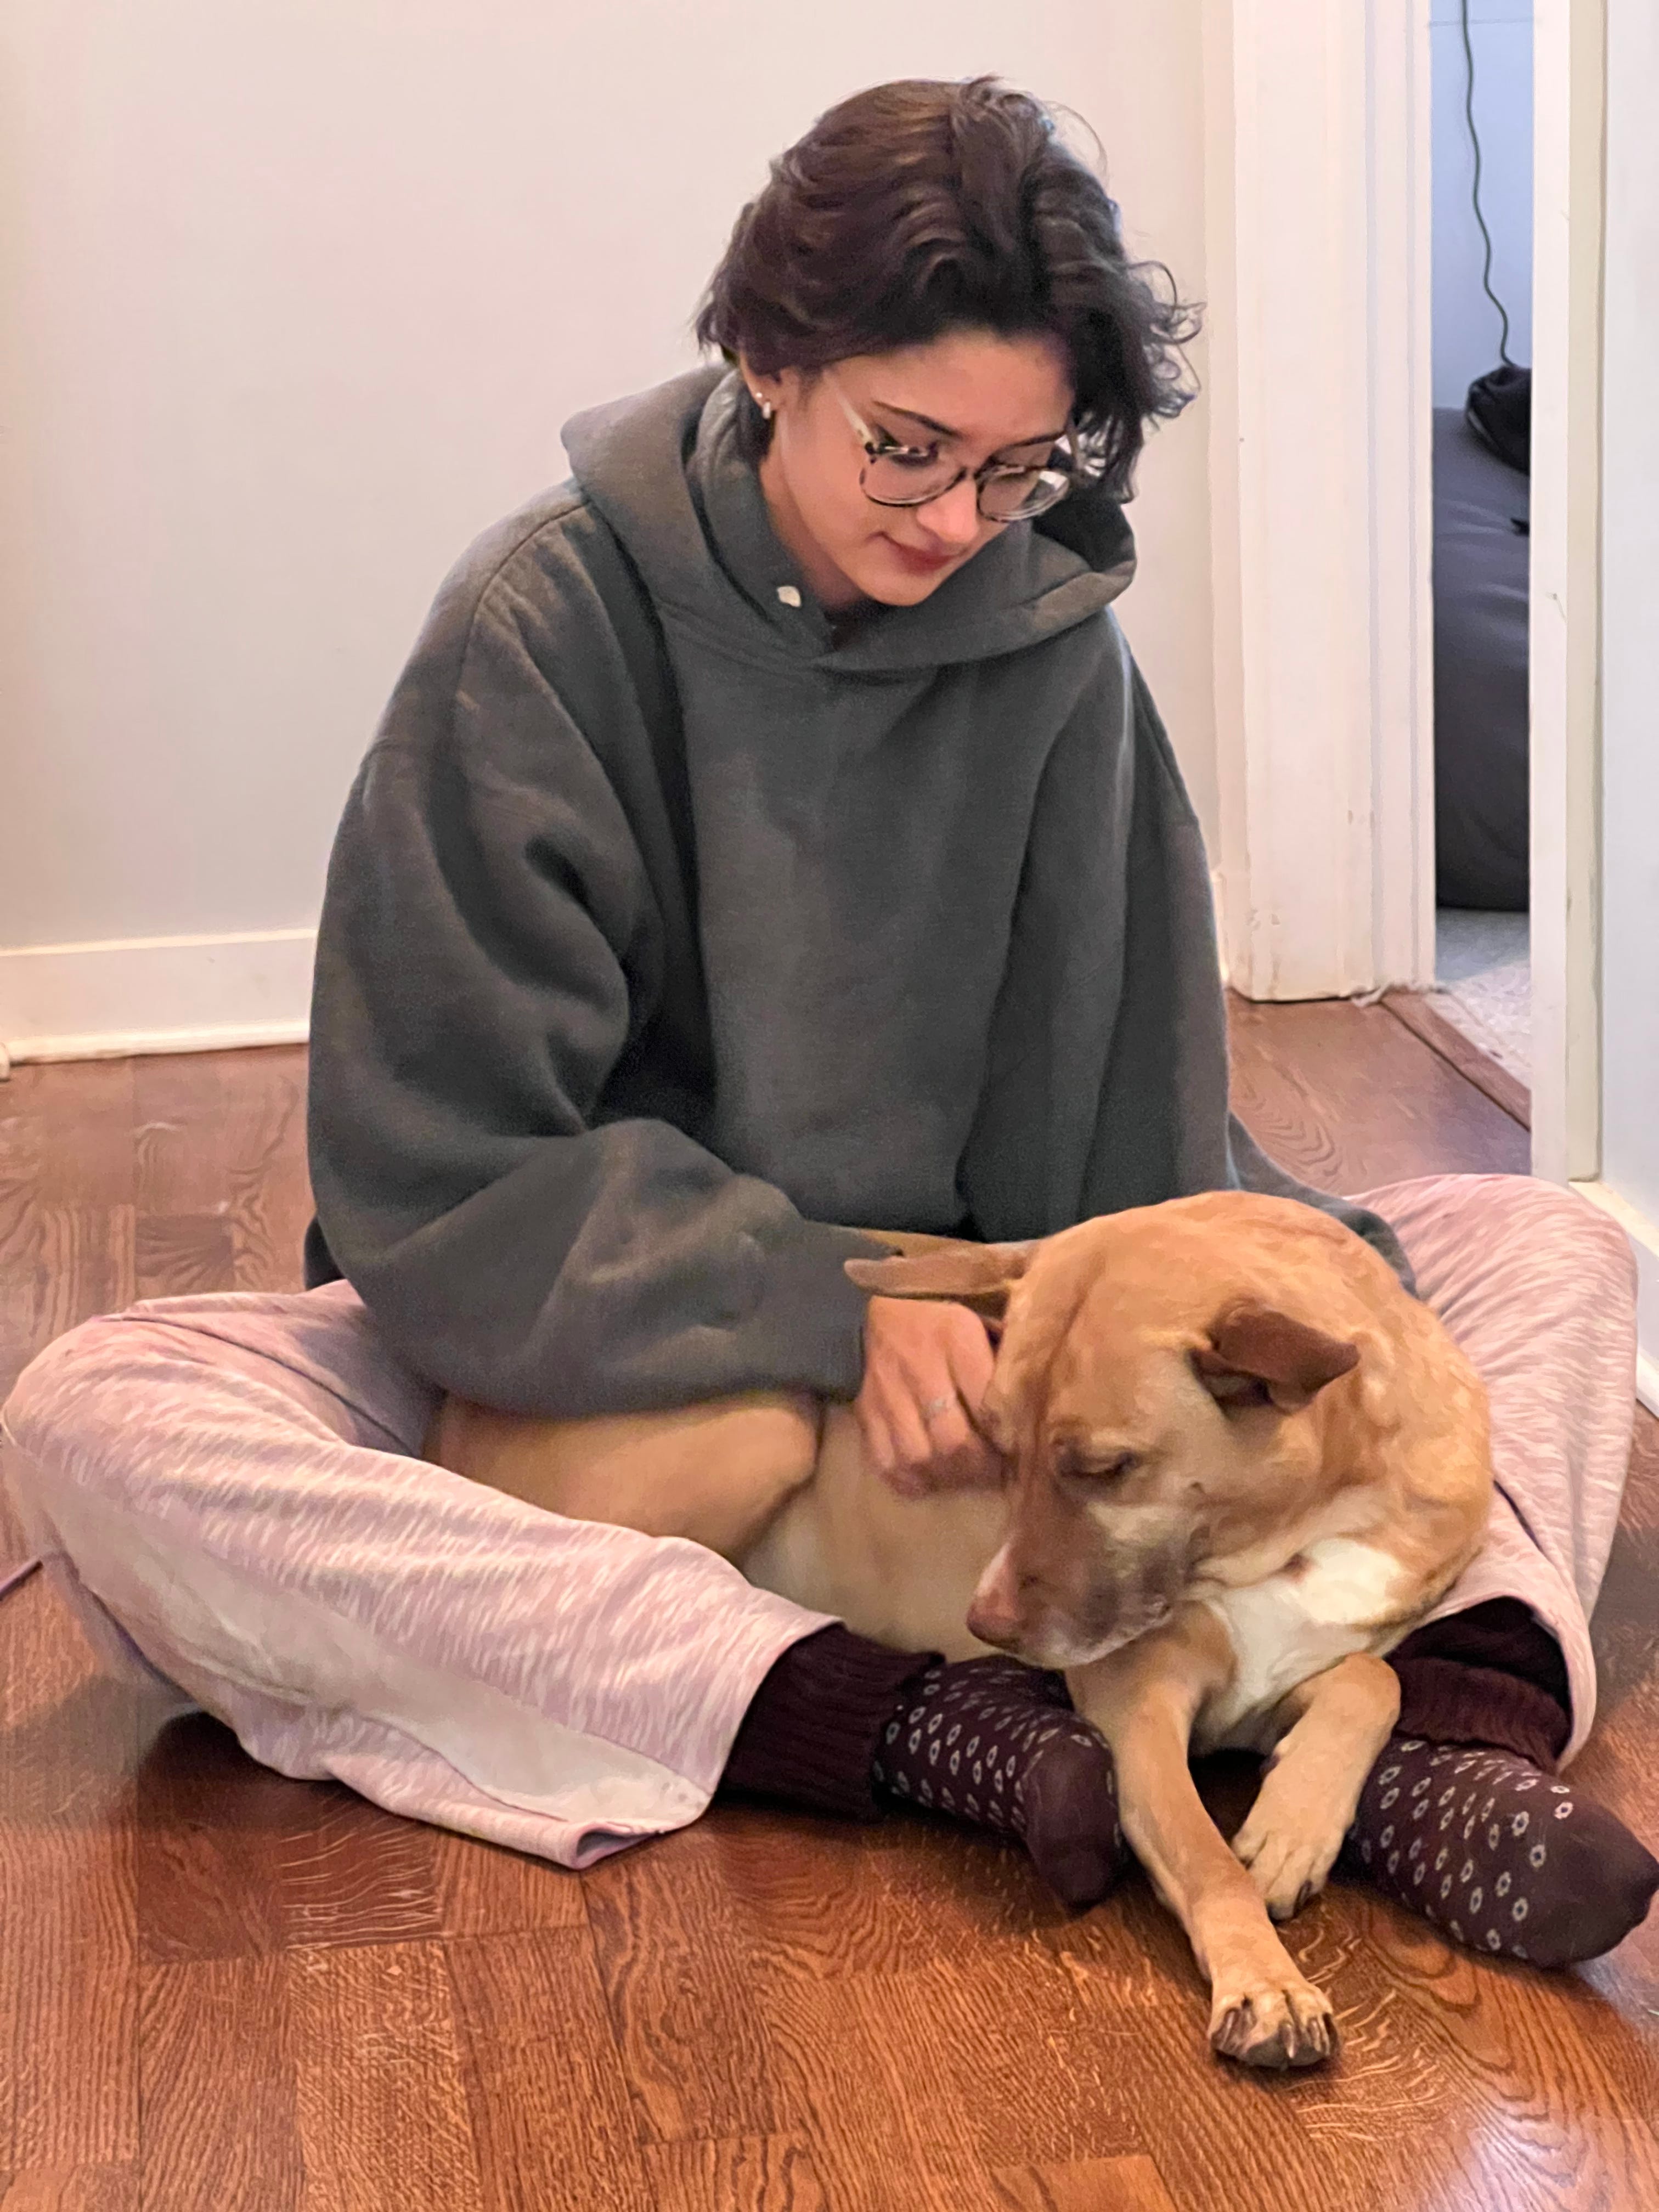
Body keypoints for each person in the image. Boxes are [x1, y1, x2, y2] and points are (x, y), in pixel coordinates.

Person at [5, 78, 1654, 1963]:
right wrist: (828, 1303)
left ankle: (1439, 1727)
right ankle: (919, 1731)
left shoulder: (1055, 647)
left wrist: (1144, 1318)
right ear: (766, 356)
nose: (959, 519)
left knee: (1543, 1251)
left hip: (1006, 1378)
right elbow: (446, 1178)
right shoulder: (535, 634)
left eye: (1016, 469)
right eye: (906, 449)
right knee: (103, 1419)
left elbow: (1142, 1160)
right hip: (596, 1337)